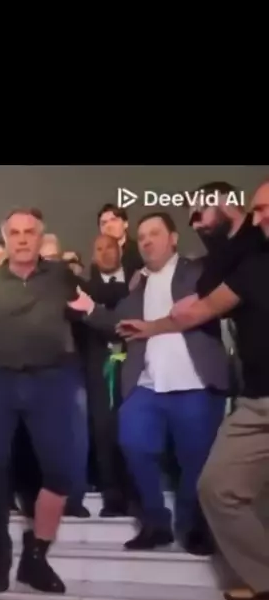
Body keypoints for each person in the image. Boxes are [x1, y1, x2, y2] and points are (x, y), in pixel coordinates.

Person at [125, 182, 269, 600]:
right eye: (257, 210)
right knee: (218, 488)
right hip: (257, 401)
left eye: (266, 209)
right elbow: (204, 303)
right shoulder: (249, 261)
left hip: (214, 390)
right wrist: (150, 327)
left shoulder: (242, 255)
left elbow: (203, 295)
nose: (260, 217)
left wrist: (234, 217)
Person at [70, 213, 229, 554]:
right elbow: (117, 322)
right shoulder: (136, 288)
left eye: (154, 233)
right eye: (142, 237)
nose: (146, 241)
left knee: (196, 461)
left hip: (196, 384)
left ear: (173, 238)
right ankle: (156, 523)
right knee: (132, 443)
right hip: (146, 386)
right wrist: (88, 308)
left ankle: (192, 526)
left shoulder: (198, 272)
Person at [0, 208, 87, 595]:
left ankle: (36, 556)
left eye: (30, 232)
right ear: (6, 237)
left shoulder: (61, 276)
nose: (23, 238)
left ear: (41, 237)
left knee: (60, 470)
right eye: (15, 232)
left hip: (50, 381)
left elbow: (93, 309)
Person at [79, 235, 134, 516]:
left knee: (133, 430)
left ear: (120, 249)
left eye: (109, 247)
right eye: (98, 249)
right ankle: (112, 496)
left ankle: (135, 493)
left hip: (136, 366)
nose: (104, 253)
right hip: (97, 368)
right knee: (102, 431)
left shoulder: (139, 283)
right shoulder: (84, 290)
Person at [97, 204, 143, 282]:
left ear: (125, 224)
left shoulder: (140, 252)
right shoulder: (97, 261)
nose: (109, 226)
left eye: (114, 220)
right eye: (104, 223)